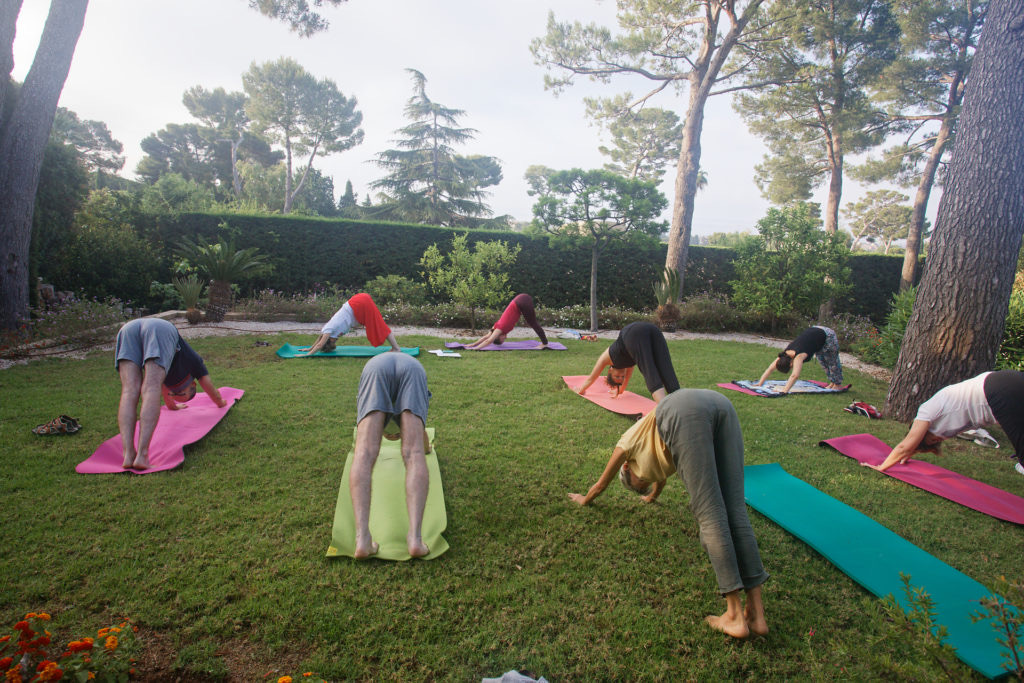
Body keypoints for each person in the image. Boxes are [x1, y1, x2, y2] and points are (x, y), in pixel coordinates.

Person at [568, 389, 769, 639]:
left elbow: (601, 484)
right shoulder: (656, 466)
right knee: (735, 509)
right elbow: (659, 481)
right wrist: (651, 496)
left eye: (637, 483)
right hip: (720, 403)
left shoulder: (626, 446)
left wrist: (584, 499)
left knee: (710, 513)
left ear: (627, 468)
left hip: (681, 410)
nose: (642, 483)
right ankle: (756, 615)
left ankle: (734, 615)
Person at [350, 352, 433, 559]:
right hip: (413, 369)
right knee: (414, 454)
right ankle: (415, 540)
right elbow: (418, 435)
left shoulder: (375, 368)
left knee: (364, 451)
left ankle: (362, 540)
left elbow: (366, 441)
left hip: (375, 367)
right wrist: (425, 449)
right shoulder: (414, 369)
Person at [114, 318, 226, 470]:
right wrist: (221, 402)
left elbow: (166, 394)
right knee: (151, 387)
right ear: (193, 384)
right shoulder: (194, 362)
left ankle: (128, 454)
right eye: (180, 393)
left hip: (129, 328)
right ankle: (142, 455)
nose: (174, 394)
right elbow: (209, 387)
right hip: (161, 328)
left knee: (129, 389)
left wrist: (173, 406)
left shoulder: (168, 381)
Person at [869, 370, 1024, 473]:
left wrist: (882, 467)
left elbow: (906, 446)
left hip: (998, 389)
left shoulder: (925, 411)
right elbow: (910, 448)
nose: (937, 439)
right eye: (935, 443)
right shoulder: (943, 427)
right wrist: (907, 455)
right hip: (1005, 382)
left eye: (931, 440)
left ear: (922, 435)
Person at [576, 321, 680, 403]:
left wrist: (580, 390)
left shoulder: (606, 358)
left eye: (617, 376)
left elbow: (591, 378)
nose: (621, 376)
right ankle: (681, 405)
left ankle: (666, 412)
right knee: (667, 371)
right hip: (652, 329)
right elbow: (624, 385)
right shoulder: (629, 366)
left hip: (632, 332)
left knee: (650, 372)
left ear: (610, 371)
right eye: (621, 378)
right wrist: (619, 389)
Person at [302, 292, 400, 355]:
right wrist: (309, 348)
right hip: (358, 306)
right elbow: (319, 340)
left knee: (380, 325)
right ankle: (395, 348)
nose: (335, 340)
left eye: (333, 341)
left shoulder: (328, 330)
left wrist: (308, 354)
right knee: (379, 325)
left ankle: (396, 348)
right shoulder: (329, 332)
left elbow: (319, 344)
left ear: (328, 340)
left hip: (359, 303)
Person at [754, 326, 843, 394]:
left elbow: (794, 376)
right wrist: (760, 383)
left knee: (832, 361)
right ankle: (832, 383)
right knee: (823, 361)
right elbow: (770, 368)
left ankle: (837, 384)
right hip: (816, 334)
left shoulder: (798, 356)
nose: (792, 367)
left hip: (827, 335)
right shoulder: (784, 355)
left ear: (790, 364)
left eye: (791, 367)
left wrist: (785, 391)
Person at [464, 293, 549, 350]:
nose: (505, 337)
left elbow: (488, 340)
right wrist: (472, 344)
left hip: (521, 302)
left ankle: (544, 344)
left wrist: (475, 348)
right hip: (519, 299)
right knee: (532, 322)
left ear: (498, 337)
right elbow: (486, 337)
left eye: (503, 339)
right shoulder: (495, 327)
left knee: (533, 323)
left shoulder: (499, 329)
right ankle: (544, 343)